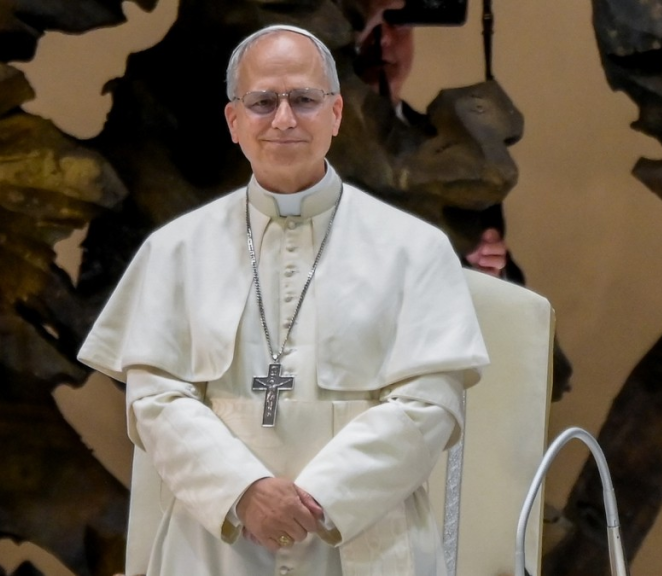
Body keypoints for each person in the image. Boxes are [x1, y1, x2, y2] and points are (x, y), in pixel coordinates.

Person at [78, 24, 488, 575]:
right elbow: (154, 400)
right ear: (234, 121)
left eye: (304, 99)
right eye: (263, 102)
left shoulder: (414, 250)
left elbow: (430, 402)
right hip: (216, 543)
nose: (285, 119)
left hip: (363, 542)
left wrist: (317, 499)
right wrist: (244, 490)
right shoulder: (176, 250)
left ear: (337, 113)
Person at [353, 0, 512, 279]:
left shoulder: (460, 149)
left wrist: (486, 267)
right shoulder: (308, 143)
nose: (384, 38)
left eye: (398, 22)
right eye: (372, 23)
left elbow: (512, 285)